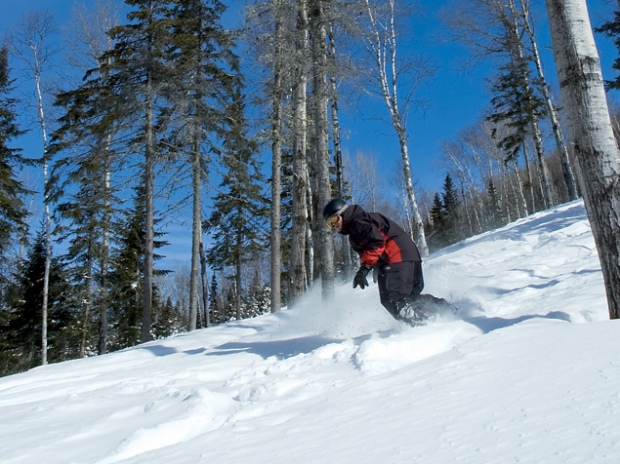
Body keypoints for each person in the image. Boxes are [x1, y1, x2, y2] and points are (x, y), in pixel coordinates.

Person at [323, 198, 445, 325]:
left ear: (343, 213)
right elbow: (379, 239)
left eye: (334, 219)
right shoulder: (364, 219)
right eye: (329, 224)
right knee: (410, 299)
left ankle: (425, 326)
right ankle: (445, 311)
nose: (334, 225)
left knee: (393, 300)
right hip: (410, 257)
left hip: (396, 257)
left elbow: (376, 243)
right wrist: (378, 267)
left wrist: (365, 268)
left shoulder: (357, 222)